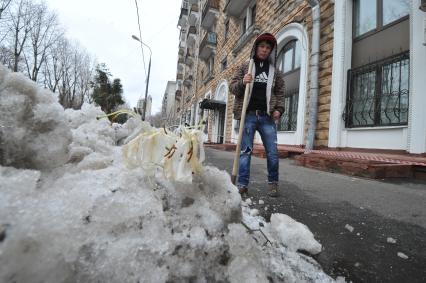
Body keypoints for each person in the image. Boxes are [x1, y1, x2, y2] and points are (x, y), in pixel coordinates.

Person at [229, 33, 285, 197]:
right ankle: (242, 185)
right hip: (249, 116)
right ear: (256, 48)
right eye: (262, 46)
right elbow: (233, 88)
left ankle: (273, 184)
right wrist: (242, 82)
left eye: (268, 48)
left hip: (267, 118)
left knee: (272, 153)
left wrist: (278, 110)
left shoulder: (275, 72)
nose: (264, 50)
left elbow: (280, 92)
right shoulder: (246, 67)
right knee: (245, 151)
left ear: (271, 51)